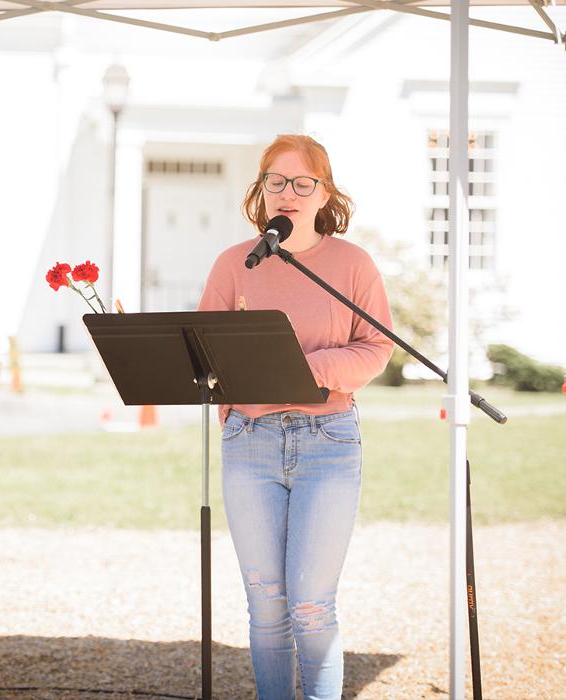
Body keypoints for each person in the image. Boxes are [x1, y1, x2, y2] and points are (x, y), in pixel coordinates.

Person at [198, 134, 393, 700]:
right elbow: (205, 349)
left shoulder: (352, 264)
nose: (288, 193)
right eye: (276, 182)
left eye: (302, 183)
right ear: (260, 190)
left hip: (328, 442)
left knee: (310, 606)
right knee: (265, 604)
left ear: (324, 192)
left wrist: (306, 367)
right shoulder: (235, 263)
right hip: (250, 444)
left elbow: (375, 348)